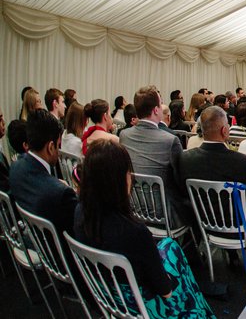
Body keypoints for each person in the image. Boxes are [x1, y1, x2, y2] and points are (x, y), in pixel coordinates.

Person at [75, 140, 213, 318]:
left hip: (108, 298)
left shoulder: (80, 213)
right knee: (173, 250)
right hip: (143, 306)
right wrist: (172, 276)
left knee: (168, 246)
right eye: (128, 172)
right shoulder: (135, 233)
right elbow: (165, 291)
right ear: (119, 180)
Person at [179, 106, 246, 278]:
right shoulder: (240, 161)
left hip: (204, 223)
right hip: (239, 224)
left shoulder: (185, 158)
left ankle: (232, 257)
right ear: (224, 130)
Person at [120, 86, 189, 230]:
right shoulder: (170, 140)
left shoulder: (124, 135)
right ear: (156, 110)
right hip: (164, 213)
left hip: (134, 208)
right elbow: (181, 181)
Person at [10, 110, 78, 241]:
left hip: (29, 241)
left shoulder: (15, 167)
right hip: (56, 255)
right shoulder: (61, 194)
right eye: (58, 146)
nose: (58, 151)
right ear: (50, 147)